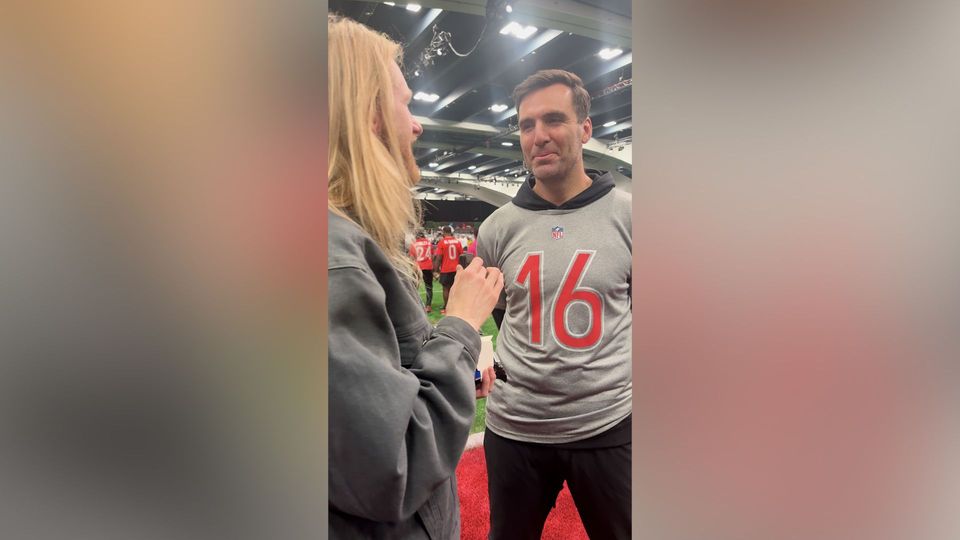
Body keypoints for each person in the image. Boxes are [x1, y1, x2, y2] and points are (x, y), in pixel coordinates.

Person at [327, 14, 502, 539]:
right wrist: (461, 327)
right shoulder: (333, 255)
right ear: (370, 114)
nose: (417, 124)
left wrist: (454, 371)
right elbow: (393, 465)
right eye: (405, 103)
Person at [476, 69, 632, 539]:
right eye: (527, 125)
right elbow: (498, 312)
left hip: (607, 423)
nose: (538, 136)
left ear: (585, 128)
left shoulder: (630, 214)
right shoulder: (496, 228)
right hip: (515, 429)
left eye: (554, 120)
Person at [434, 225, 464, 314]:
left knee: (446, 289)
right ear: (451, 232)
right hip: (456, 269)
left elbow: (439, 258)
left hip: (446, 269)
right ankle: (456, 307)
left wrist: (435, 270)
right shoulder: (457, 242)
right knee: (455, 288)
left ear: (443, 232)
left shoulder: (442, 242)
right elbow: (462, 256)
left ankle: (447, 308)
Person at [409, 230, 436, 311]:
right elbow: (432, 255)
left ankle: (415, 303)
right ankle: (428, 306)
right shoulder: (429, 243)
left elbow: (412, 258)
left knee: (415, 286)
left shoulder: (414, 244)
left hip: (417, 267)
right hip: (428, 266)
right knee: (429, 287)